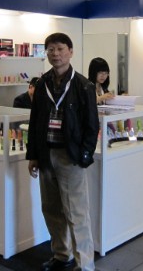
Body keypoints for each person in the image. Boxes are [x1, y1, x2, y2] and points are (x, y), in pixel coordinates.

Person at [26, 32, 99, 271]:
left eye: (60, 49)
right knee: (51, 209)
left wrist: (84, 155)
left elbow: (92, 125)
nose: (55, 54)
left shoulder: (83, 85)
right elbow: (35, 120)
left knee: (76, 213)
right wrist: (33, 155)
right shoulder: (42, 83)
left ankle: (85, 264)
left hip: (70, 157)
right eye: (51, 50)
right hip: (46, 155)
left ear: (70, 52)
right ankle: (61, 254)